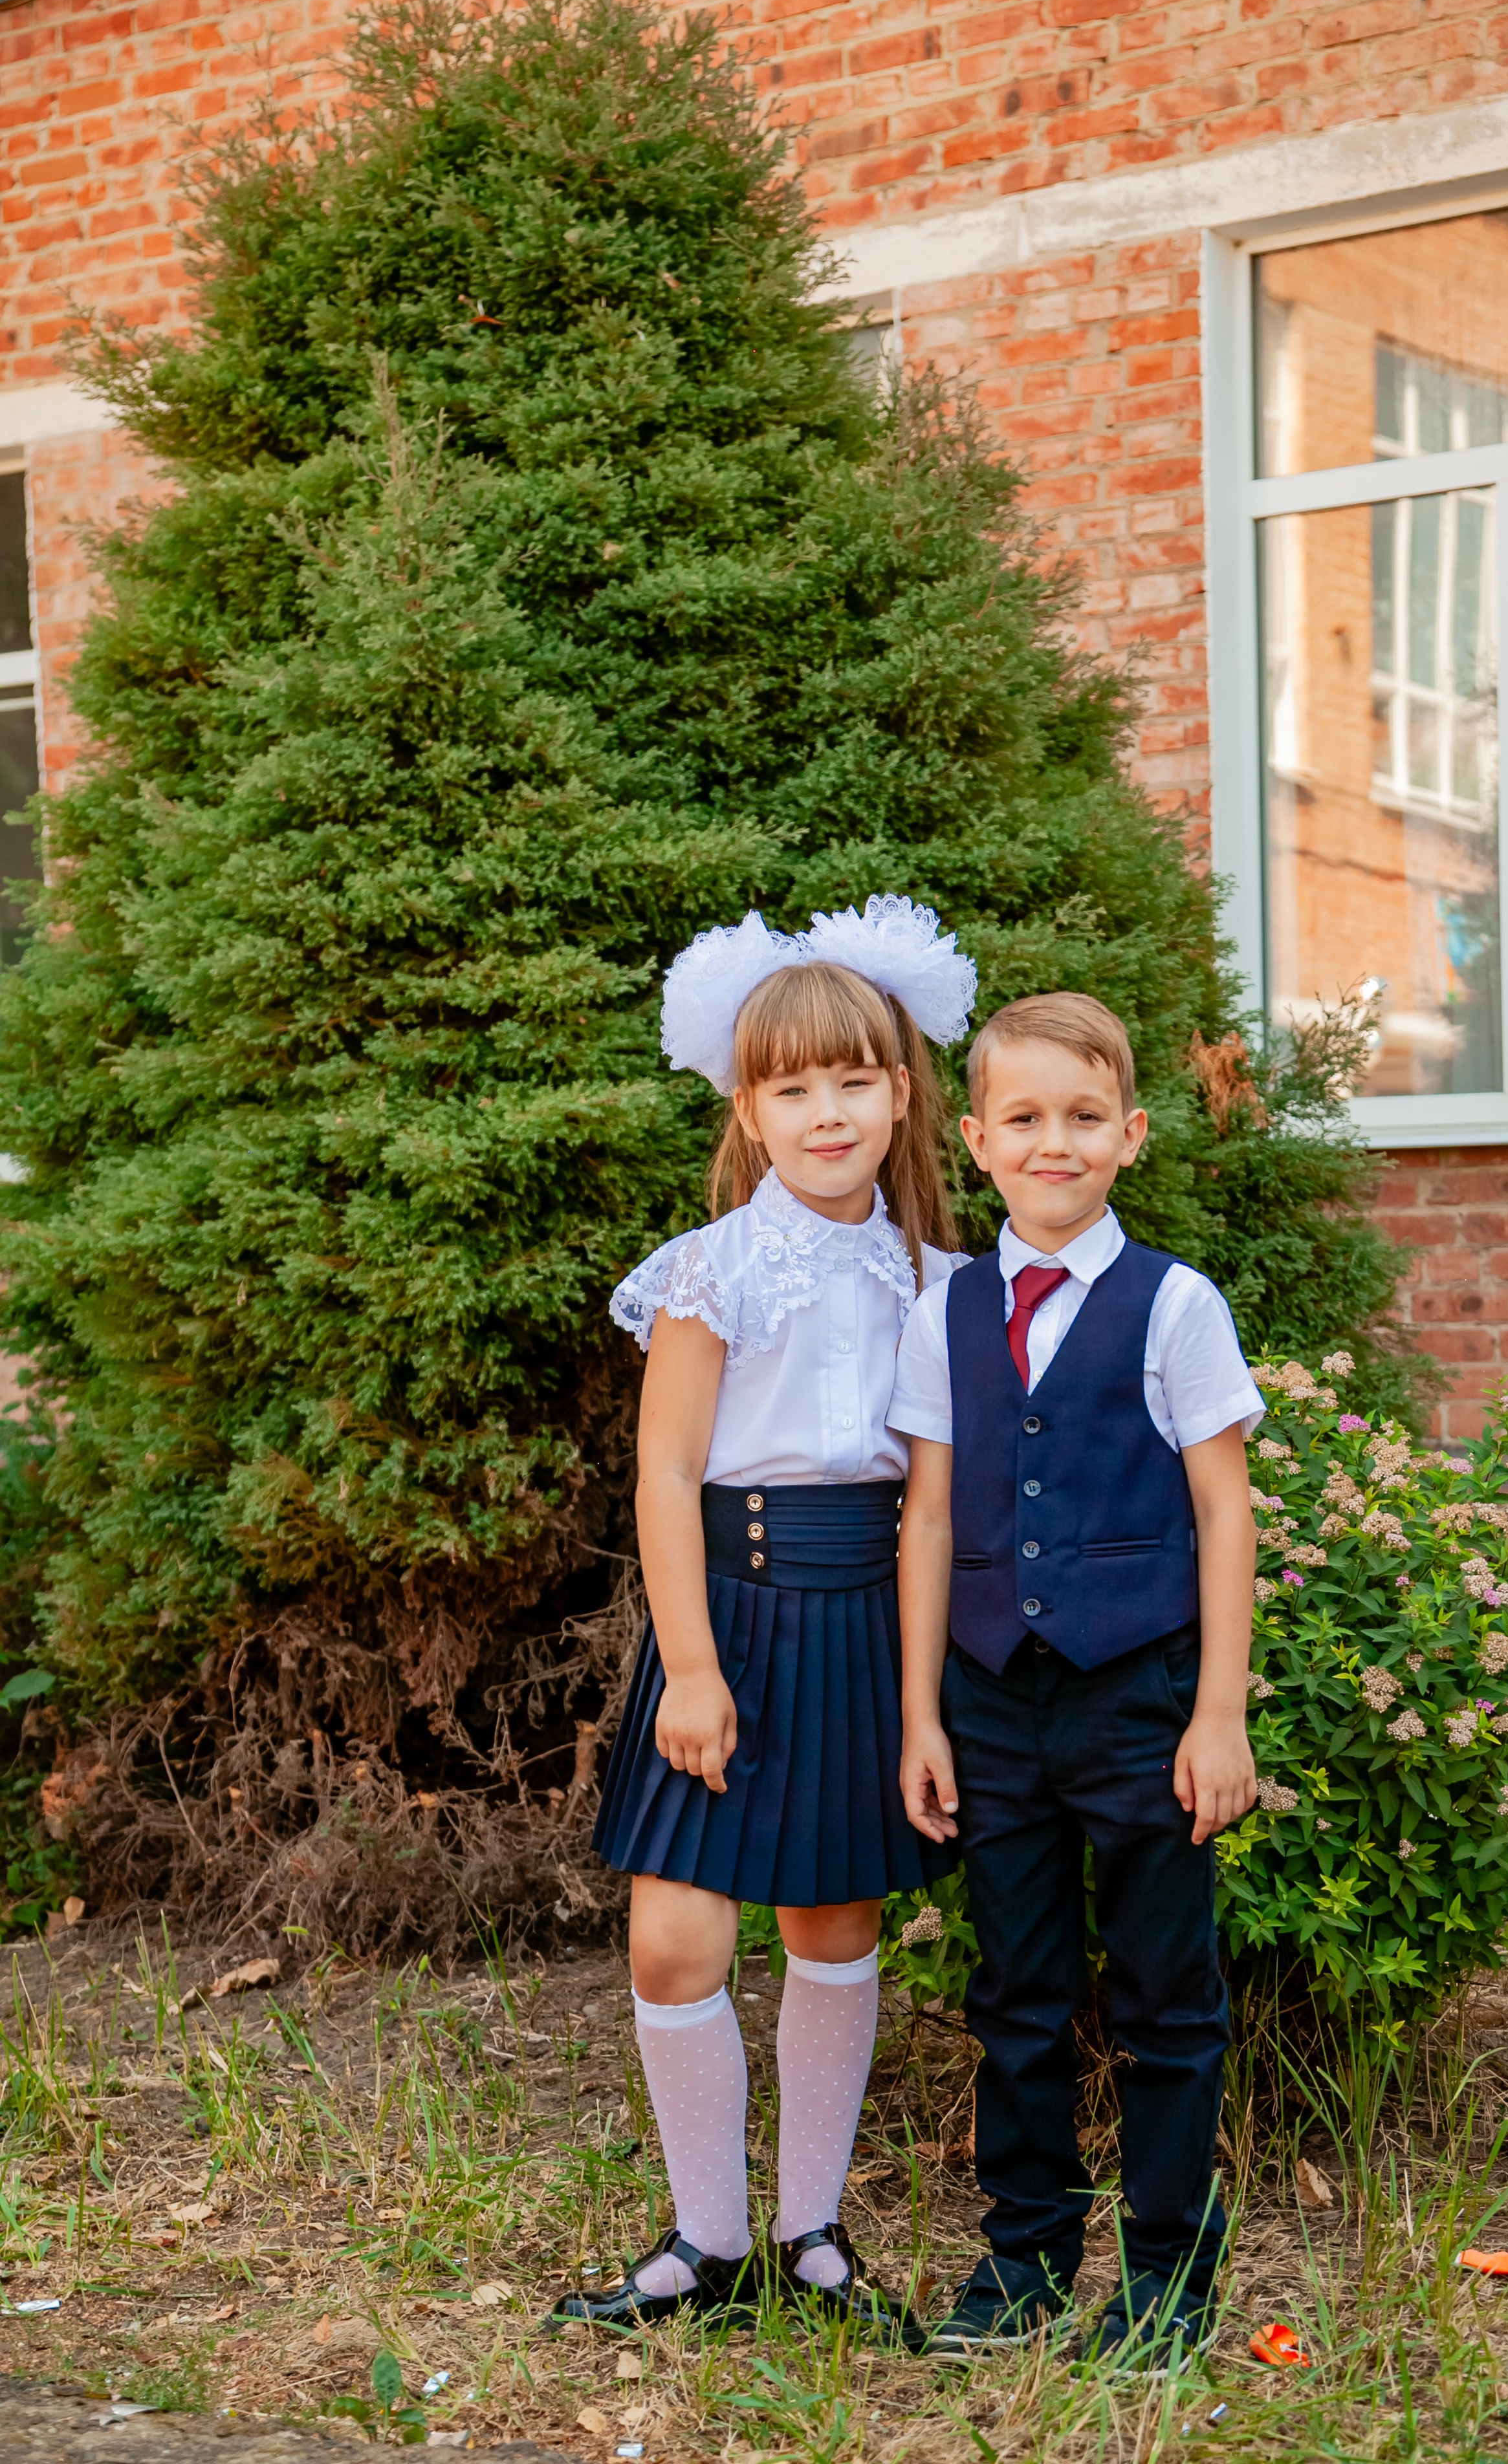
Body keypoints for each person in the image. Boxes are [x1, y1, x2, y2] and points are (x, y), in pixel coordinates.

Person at [553, 897, 974, 2341]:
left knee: (829, 1920)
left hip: (859, 1617)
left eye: (853, 1079)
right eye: (790, 1087)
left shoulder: (938, 1284)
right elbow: (664, 1470)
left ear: (901, 1090)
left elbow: (932, 1505)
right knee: (674, 1934)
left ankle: (808, 2234)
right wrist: (687, 1665)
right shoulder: (707, 1268)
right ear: (748, 1105)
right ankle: (703, 2241)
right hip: (723, 1611)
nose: (825, 1110)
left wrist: (924, 1699)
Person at [890, 991, 1261, 2367]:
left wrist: (1215, 1711)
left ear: (1128, 1135)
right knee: (1016, 1992)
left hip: (1138, 1698)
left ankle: (1167, 2274)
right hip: (989, 1700)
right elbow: (926, 1517)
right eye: (1026, 1120)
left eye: (1083, 1119)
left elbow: (1223, 1511)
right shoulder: (945, 1308)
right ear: (978, 1139)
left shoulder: (1173, 1304)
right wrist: (923, 1709)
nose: (1056, 1144)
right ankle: (1024, 2258)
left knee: (1167, 1991)